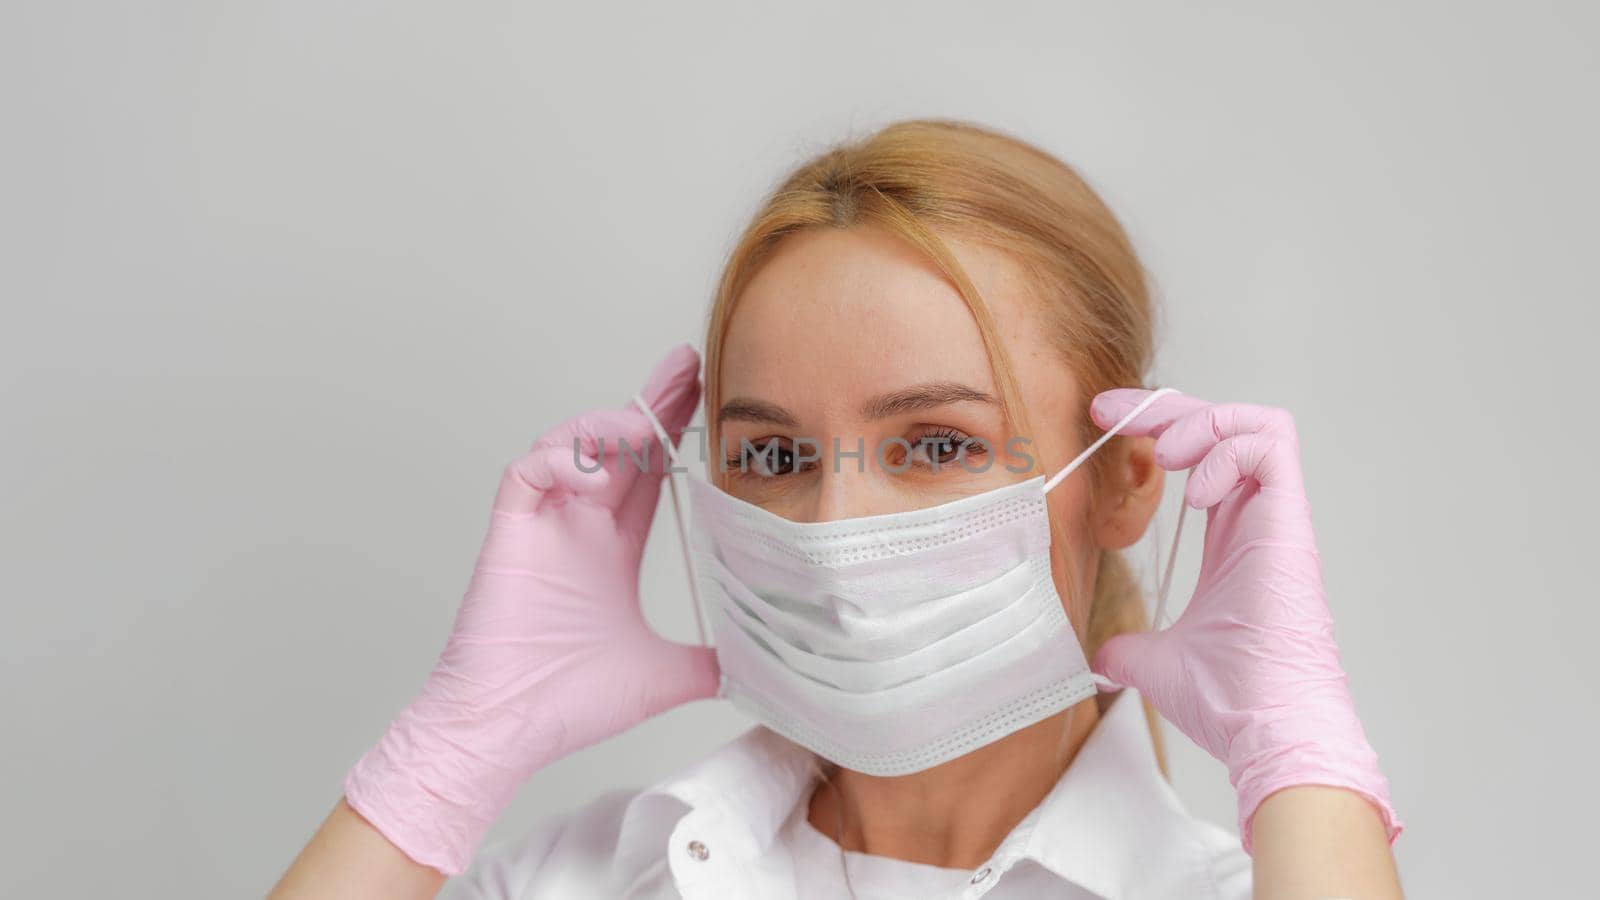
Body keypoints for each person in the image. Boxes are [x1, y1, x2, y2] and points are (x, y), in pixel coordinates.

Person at [269, 118, 1403, 899]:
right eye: (772, 453)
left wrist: (1300, 757)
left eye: (938, 443)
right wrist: (446, 759)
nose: (831, 529)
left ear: (1118, 482)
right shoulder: (596, 877)